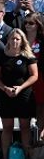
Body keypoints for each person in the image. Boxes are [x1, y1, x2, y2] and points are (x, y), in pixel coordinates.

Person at [0, 29, 39, 159]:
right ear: (8, 40)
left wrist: (20, 88)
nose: (14, 41)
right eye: (12, 38)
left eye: (17, 39)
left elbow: (34, 75)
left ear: (22, 41)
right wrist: (5, 88)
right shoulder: (1, 56)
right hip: (5, 94)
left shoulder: (27, 56)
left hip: (24, 94)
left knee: (25, 127)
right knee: (7, 127)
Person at [23, 12, 44, 140]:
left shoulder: (42, 41)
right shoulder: (20, 39)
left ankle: (39, 137)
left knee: (40, 107)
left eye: (31, 23)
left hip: (40, 78)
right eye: (26, 22)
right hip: (23, 78)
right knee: (26, 108)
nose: (27, 25)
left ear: (38, 25)